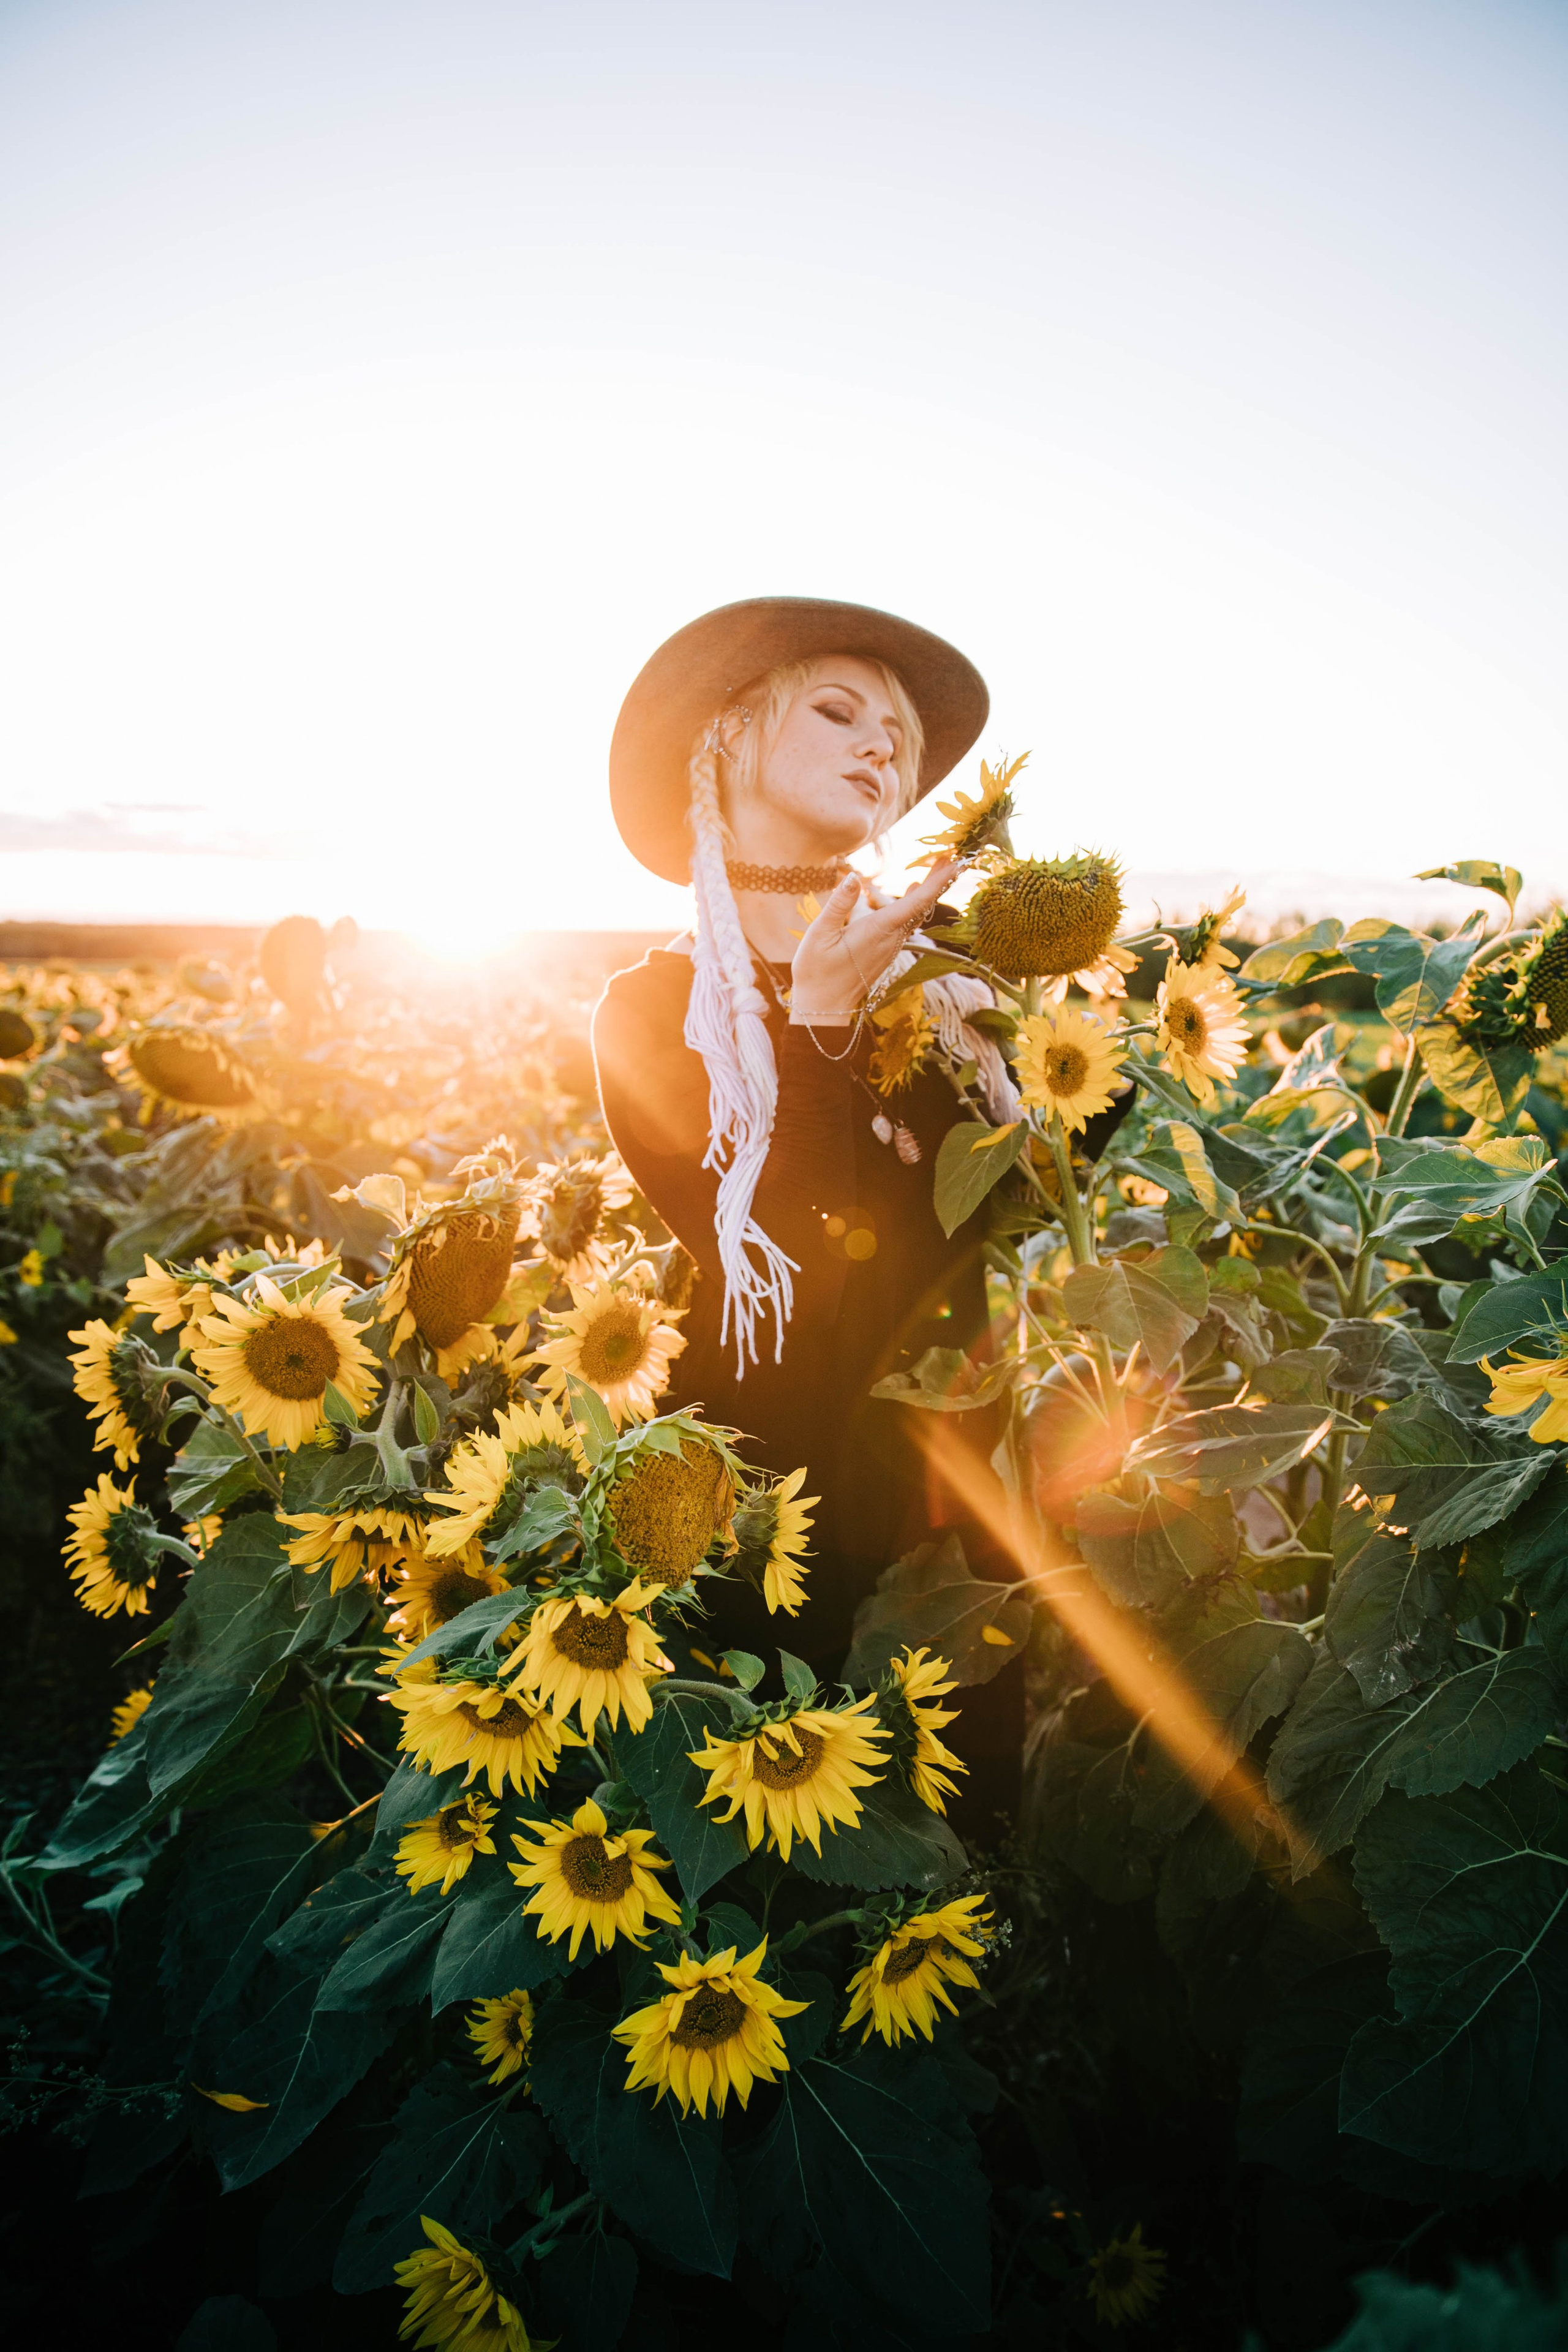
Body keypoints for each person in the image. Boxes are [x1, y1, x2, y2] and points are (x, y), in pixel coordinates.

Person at [594, 597, 1023, 1824]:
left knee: (950, 1836)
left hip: (949, 1475)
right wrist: (820, 1029)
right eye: (837, 711)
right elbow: (790, 1270)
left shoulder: (949, 982)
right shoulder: (654, 1011)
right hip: (765, 1492)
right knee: (773, 1818)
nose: (881, 744)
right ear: (721, 744)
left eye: (894, 733)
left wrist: (1040, 1053)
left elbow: (1015, 1205)